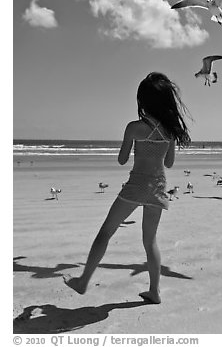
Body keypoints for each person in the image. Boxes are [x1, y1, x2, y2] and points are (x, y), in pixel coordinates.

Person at [63, 72, 191, 304]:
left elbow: (122, 160)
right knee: (150, 241)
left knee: (106, 231)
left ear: (143, 101)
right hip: (158, 188)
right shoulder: (170, 132)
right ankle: (154, 291)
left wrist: (135, 148)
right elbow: (169, 163)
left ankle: (83, 281)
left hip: (135, 187)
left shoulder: (134, 127)